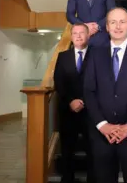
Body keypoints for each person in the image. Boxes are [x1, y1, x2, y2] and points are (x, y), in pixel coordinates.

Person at [83, 7, 127, 183]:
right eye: (113, 22)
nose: (118, 26)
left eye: (122, 21)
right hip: (101, 133)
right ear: (106, 27)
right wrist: (102, 124)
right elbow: (88, 92)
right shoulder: (94, 53)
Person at [53, 23, 94, 183]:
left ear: (88, 35)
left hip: (90, 110)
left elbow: (98, 82)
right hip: (67, 109)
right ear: (71, 36)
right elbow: (59, 81)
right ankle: (67, 177)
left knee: (91, 147)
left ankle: (93, 178)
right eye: (75, 33)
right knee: (67, 148)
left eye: (81, 33)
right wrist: (71, 100)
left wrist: (83, 101)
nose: (78, 36)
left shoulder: (96, 56)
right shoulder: (63, 56)